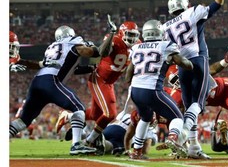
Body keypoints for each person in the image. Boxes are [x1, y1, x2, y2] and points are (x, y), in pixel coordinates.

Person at [9, 19, 117, 155]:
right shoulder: (75, 44)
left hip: (37, 81)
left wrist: (91, 68)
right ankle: (76, 145)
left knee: (23, 121)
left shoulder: (52, 48)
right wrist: (110, 34)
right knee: (78, 108)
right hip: (51, 81)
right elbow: (101, 52)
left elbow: (70, 68)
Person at [162, 0, 225, 159]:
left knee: (190, 107)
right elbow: (218, 4)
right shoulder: (192, 12)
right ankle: (179, 136)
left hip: (181, 66)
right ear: (185, 5)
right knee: (197, 104)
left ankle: (193, 147)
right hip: (197, 60)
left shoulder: (164, 27)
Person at [55, 19, 141, 147]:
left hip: (110, 82)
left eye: (134, 35)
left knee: (95, 115)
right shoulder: (114, 39)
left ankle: (68, 116)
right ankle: (89, 141)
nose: (132, 38)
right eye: (129, 34)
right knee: (110, 114)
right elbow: (102, 52)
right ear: (122, 33)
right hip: (100, 79)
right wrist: (111, 33)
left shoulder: (138, 45)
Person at [125, 19, 193, 159]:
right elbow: (183, 63)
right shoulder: (166, 45)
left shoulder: (136, 48)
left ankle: (136, 151)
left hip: (135, 91)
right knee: (177, 117)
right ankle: (173, 138)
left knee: (145, 118)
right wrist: (191, 64)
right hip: (152, 90)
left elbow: (128, 75)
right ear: (160, 32)